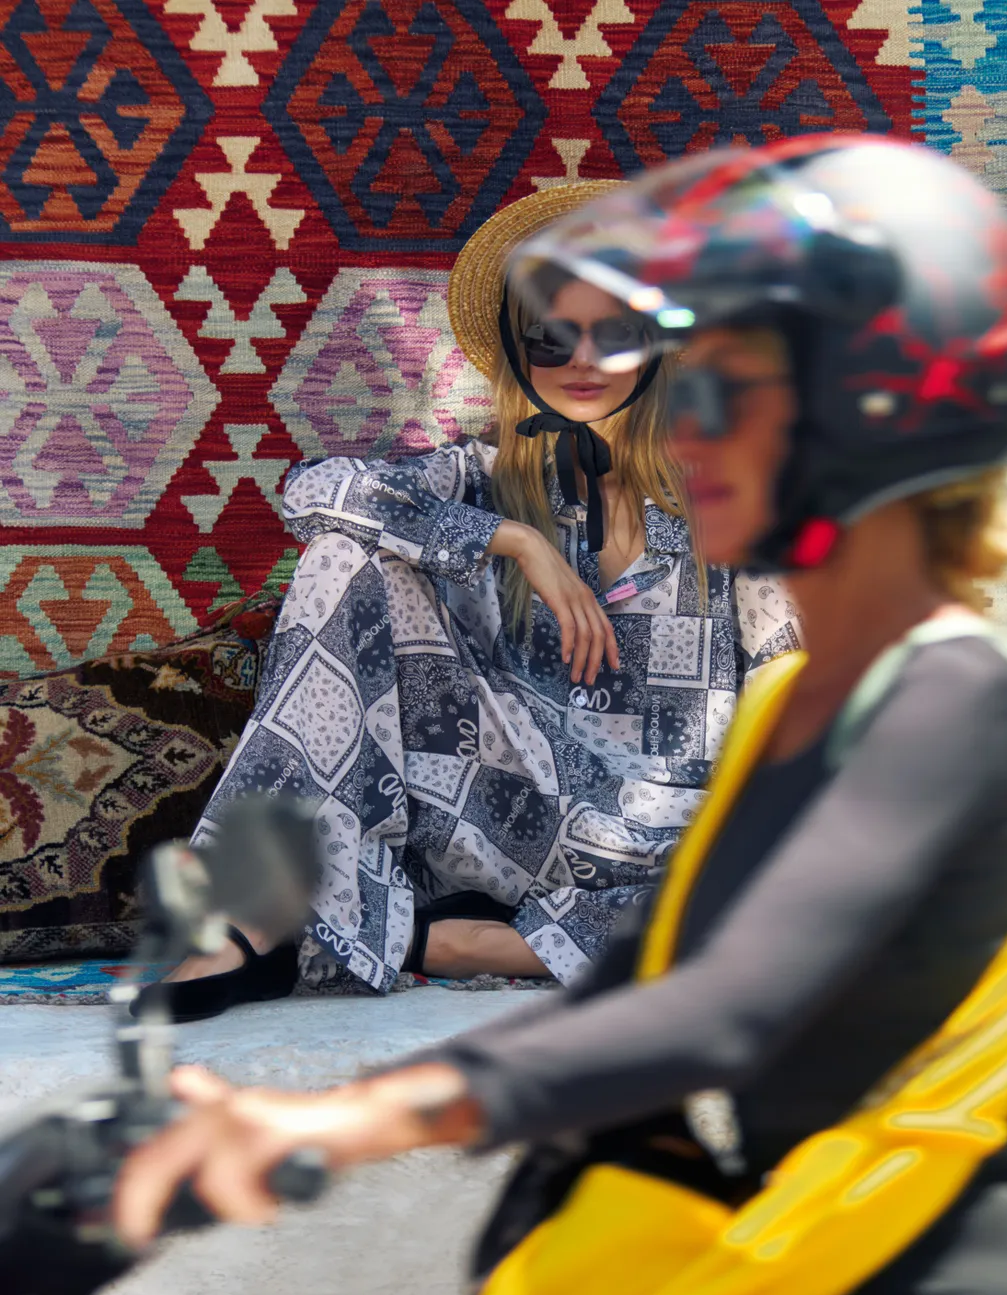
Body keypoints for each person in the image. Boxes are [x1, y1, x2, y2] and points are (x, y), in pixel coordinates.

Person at [117, 137, 1007, 1295]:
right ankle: (315, 923)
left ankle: (416, 938)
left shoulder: (940, 700)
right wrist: (510, 539)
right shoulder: (817, 679)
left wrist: (354, 1121)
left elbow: (719, 1002)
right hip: (741, 1242)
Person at [162, 182, 798, 1020]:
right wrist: (517, 541)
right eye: (551, 339)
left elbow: (794, 684)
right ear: (516, 353)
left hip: (666, 847)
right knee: (345, 552)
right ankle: (248, 916)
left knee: (831, 894)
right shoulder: (479, 479)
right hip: (499, 811)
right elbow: (317, 491)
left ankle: (455, 942)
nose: (583, 361)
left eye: (616, 334)